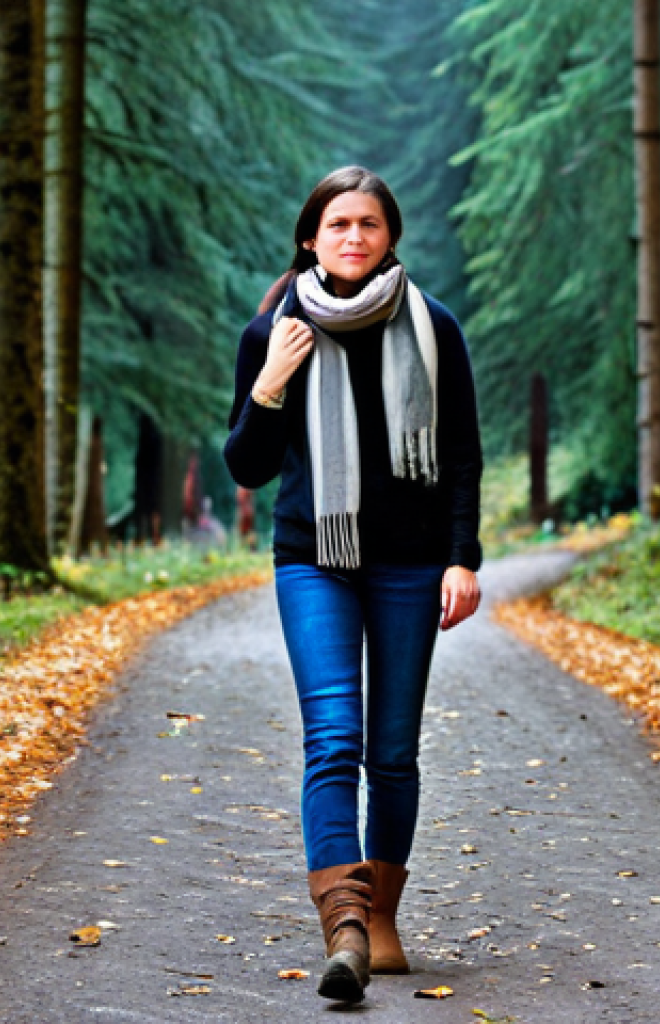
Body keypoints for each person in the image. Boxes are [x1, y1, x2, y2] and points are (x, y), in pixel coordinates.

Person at [223, 166, 482, 1003]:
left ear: (389, 237)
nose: (354, 238)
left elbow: (462, 456)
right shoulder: (276, 332)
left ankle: (383, 920)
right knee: (333, 737)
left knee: (393, 751)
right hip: (314, 559)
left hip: (411, 564)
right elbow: (249, 466)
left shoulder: (434, 328)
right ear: (311, 238)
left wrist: (462, 556)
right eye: (338, 224)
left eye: (369, 224)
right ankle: (344, 926)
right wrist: (270, 385)